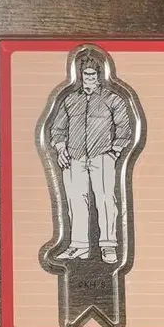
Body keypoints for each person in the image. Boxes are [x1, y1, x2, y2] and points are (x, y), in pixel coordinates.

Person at [47, 50, 134, 264]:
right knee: (75, 200)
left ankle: (108, 246)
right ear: (80, 75)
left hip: (102, 156)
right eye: (86, 75)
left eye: (93, 75)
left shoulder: (112, 99)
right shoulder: (69, 100)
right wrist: (61, 149)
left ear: (99, 75)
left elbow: (124, 128)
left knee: (105, 200)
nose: (89, 79)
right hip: (74, 157)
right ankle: (79, 246)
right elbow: (57, 129)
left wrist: (114, 152)